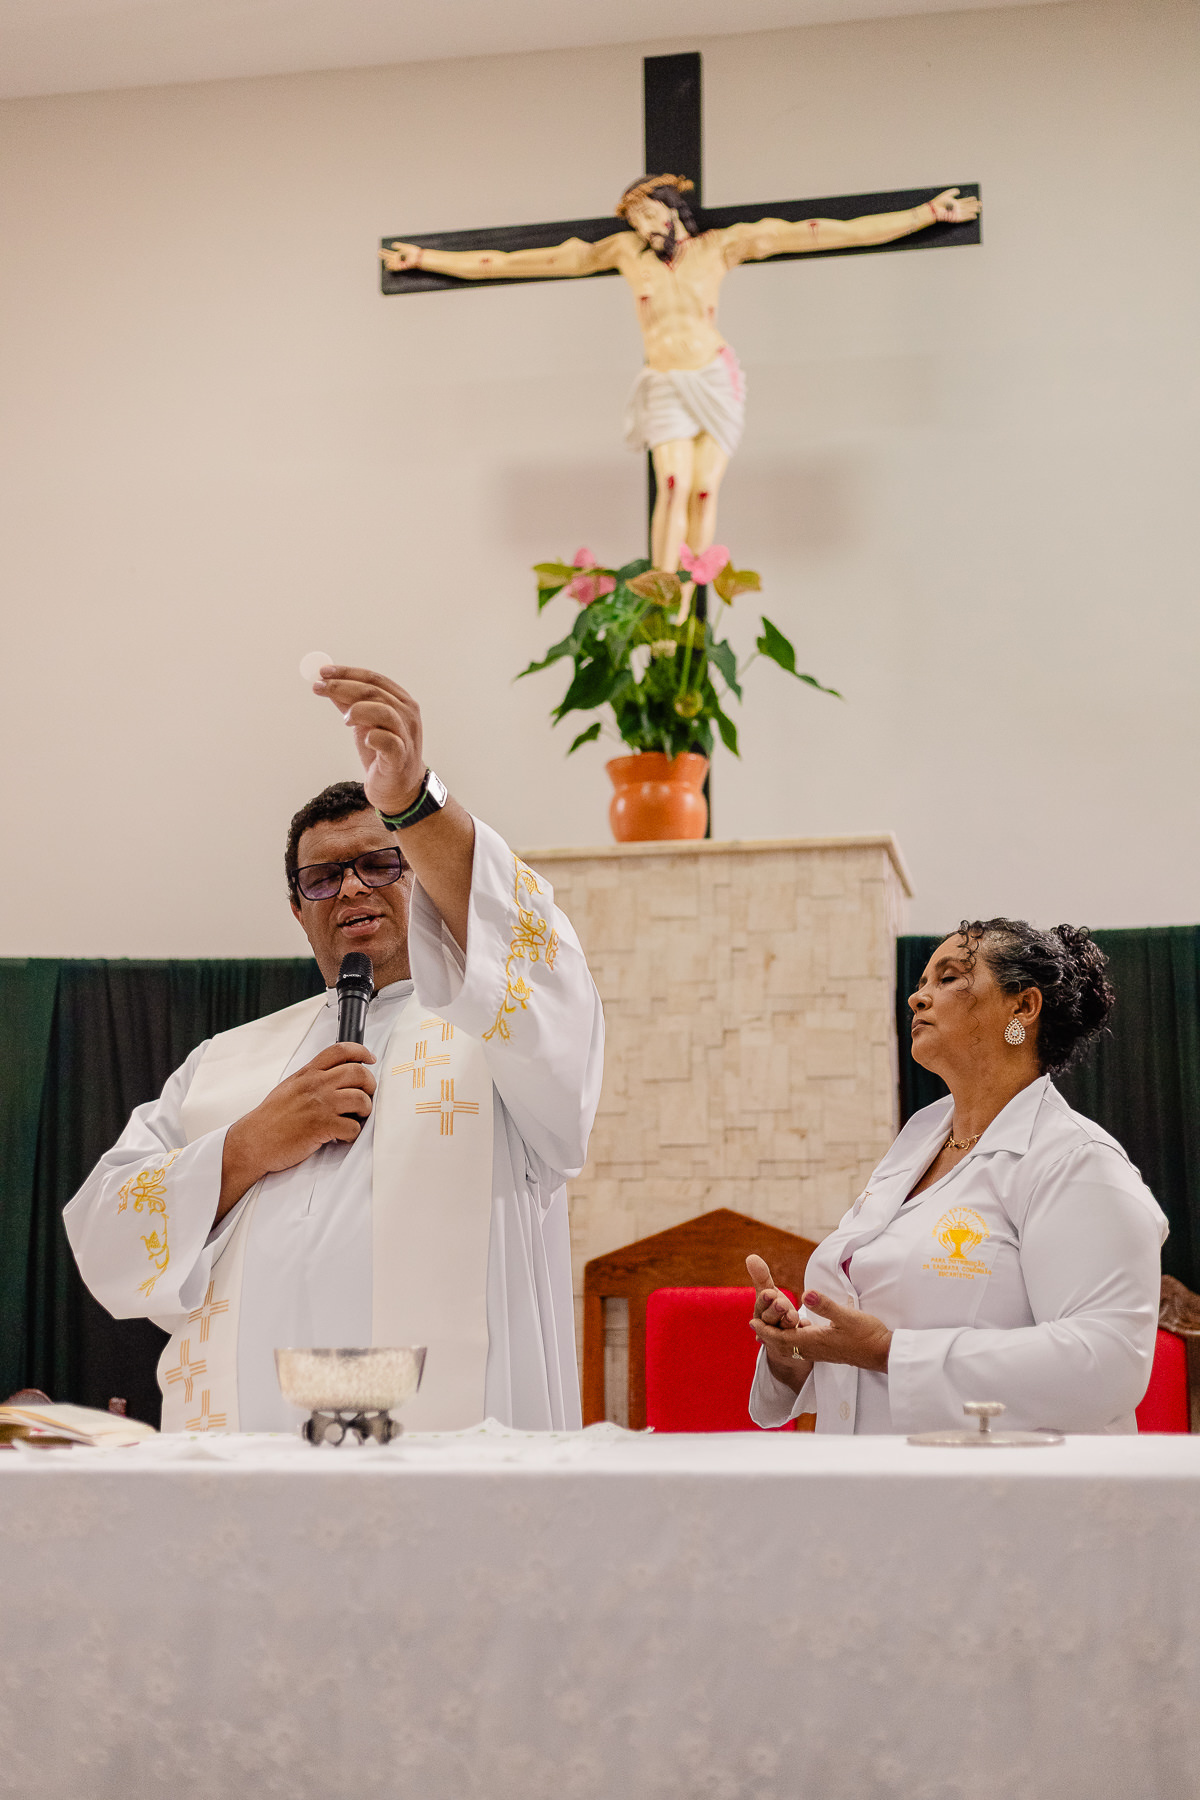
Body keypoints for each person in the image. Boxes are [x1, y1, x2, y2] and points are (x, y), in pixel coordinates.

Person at [64, 667, 603, 1433]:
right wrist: (248, 1146)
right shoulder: (227, 1064)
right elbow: (104, 1232)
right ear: (297, 909)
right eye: (323, 878)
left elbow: (542, 966)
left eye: (380, 863)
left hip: (446, 1457)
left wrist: (415, 801)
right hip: (255, 1457)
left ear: (422, 874)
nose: (352, 889)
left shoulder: (501, 1038)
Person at [381, 175, 981, 579]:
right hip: (664, 380)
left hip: (713, 378)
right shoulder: (623, 255)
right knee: (670, 484)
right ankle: (663, 594)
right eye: (636, 218)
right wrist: (428, 259)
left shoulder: (722, 247)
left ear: (673, 209)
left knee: (701, 491)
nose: (643, 226)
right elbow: (517, 261)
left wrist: (928, 214)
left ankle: (695, 586)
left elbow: (825, 230)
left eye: (649, 213)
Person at [747, 919, 1167, 1435]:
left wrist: (888, 1352)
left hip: (1002, 1500)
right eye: (921, 983)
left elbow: (1107, 1364)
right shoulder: (920, 1139)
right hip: (866, 1488)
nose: (918, 999)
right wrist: (796, 1352)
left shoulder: (1077, 1160)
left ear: (1023, 1007)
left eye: (947, 979)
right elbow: (868, 1333)